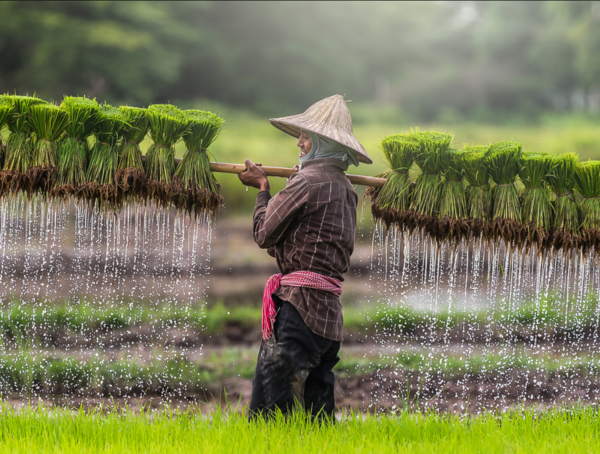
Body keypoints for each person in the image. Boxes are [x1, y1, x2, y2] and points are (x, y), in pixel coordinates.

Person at [238, 95, 372, 420]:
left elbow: (263, 235)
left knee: (271, 408)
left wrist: (262, 188)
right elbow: (296, 243)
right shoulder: (345, 188)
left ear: (322, 143)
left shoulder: (307, 182)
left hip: (299, 309)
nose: (299, 142)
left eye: (306, 136)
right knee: (317, 412)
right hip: (328, 318)